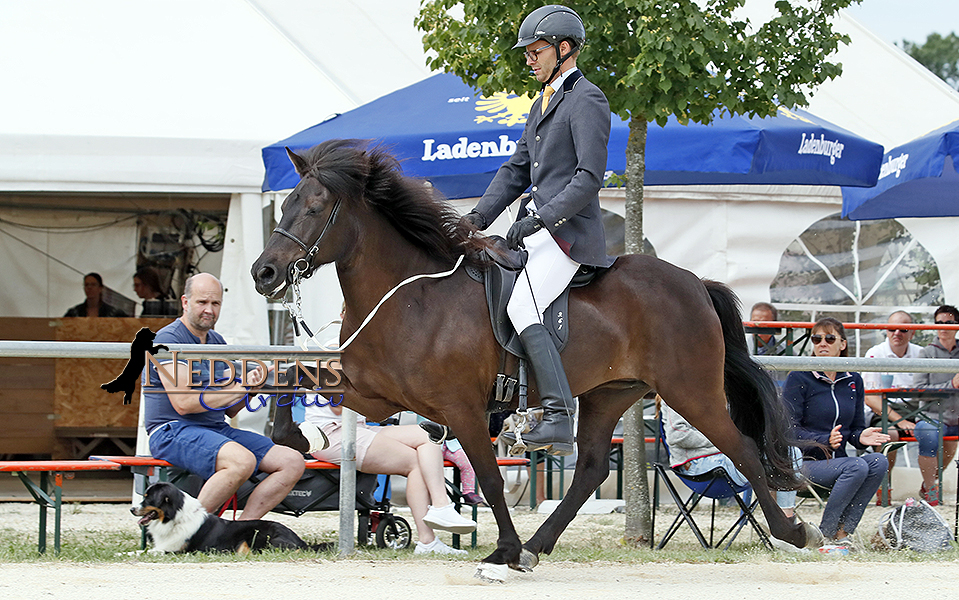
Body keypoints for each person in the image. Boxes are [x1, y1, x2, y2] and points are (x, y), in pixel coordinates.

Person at [463, 5, 613, 456]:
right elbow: (515, 170)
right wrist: (475, 220)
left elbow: (588, 178)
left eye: (537, 50)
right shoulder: (542, 102)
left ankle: (558, 414)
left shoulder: (587, 99)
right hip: (534, 230)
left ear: (564, 49)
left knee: (522, 306)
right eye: (527, 52)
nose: (529, 59)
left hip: (569, 234)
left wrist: (542, 217)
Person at [144, 273, 305, 520]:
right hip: (171, 430)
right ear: (185, 302)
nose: (209, 310)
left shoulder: (217, 341)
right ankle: (184, 534)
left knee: (292, 461)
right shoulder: (168, 340)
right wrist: (241, 388)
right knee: (242, 460)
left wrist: (253, 386)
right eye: (202, 303)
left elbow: (230, 409)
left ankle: (241, 529)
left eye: (215, 304)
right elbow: (184, 403)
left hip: (215, 429)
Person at [304, 397, 477, 555]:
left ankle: (441, 506)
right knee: (415, 463)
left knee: (430, 434)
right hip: (331, 434)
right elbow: (339, 407)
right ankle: (427, 541)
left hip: (356, 428)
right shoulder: (334, 365)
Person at [782, 317, 890, 549]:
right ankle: (826, 535)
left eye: (830, 338)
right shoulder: (799, 377)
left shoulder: (853, 379)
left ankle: (843, 533)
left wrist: (860, 436)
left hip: (839, 465)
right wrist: (824, 440)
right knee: (856, 466)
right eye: (817, 338)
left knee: (879, 461)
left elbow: (853, 430)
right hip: (803, 463)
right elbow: (788, 431)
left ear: (842, 344)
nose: (822, 343)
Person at [663, 404, 805, 551]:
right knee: (763, 459)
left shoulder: (719, 393)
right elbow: (677, 435)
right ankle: (782, 528)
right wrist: (723, 440)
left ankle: (784, 523)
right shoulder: (677, 394)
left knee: (789, 452)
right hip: (699, 466)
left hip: (730, 456)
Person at [911, 304, 959, 506]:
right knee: (929, 434)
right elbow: (919, 391)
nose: (943, 327)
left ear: (957, 326)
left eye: (948, 323)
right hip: (931, 417)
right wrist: (951, 385)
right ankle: (931, 486)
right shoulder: (926, 354)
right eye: (939, 323)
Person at [861, 310, 923, 506]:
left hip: (916, 410)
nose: (897, 332)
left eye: (903, 329)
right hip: (884, 412)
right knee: (890, 435)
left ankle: (931, 485)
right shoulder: (874, 354)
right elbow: (871, 399)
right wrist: (901, 420)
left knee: (938, 430)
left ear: (912, 333)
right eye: (891, 328)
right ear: (885, 331)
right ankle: (883, 487)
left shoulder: (922, 354)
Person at [63, 272, 129, 317]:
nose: (89, 287)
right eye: (86, 285)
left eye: (93, 285)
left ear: (100, 288)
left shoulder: (113, 313)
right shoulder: (74, 313)